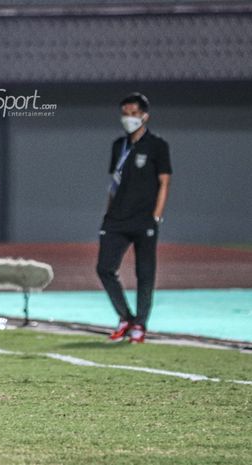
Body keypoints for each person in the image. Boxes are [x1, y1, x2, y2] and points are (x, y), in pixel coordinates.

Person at [97, 93, 172, 343]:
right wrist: (108, 213)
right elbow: (114, 184)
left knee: (145, 273)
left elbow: (164, 181)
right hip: (116, 219)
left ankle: (140, 324)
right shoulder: (119, 145)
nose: (128, 118)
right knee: (104, 268)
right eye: (125, 114)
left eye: (133, 113)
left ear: (144, 116)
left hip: (144, 220)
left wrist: (156, 216)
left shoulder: (157, 145)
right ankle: (125, 317)